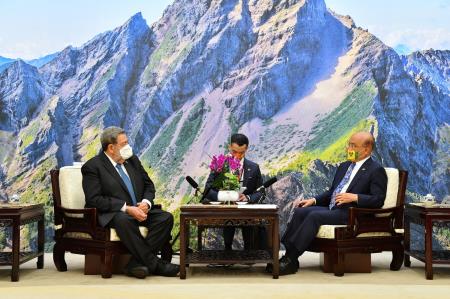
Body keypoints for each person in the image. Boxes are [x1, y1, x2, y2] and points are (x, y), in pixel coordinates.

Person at [276, 131, 387, 275]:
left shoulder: (376, 170)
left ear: (366, 149)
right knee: (300, 211)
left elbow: (378, 200)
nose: (348, 149)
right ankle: (289, 256)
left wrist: (355, 197)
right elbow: (332, 192)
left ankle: (290, 259)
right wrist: (314, 200)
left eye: (353, 146)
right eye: (349, 144)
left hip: (353, 213)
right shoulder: (344, 166)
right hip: (335, 209)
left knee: (315, 216)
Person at [81, 126, 179, 278]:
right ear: (111, 148)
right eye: (123, 144)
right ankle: (156, 264)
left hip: (139, 210)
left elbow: (148, 185)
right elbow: (94, 199)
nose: (128, 147)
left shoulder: (132, 160)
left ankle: (135, 265)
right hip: (114, 214)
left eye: (127, 142)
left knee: (165, 218)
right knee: (124, 220)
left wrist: (146, 203)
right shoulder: (93, 167)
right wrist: (126, 208)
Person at [204, 133, 266, 250]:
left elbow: (260, 191)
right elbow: (208, 189)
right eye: (234, 151)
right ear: (229, 147)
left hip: (246, 211)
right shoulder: (219, 164)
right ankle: (227, 250)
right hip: (223, 208)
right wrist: (223, 196)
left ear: (246, 149)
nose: (237, 156)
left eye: (241, 152)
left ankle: (248, 251)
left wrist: (247, 198)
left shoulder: (254, 168)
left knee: (250, 219)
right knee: (228, 218)